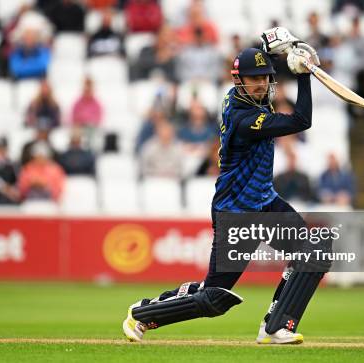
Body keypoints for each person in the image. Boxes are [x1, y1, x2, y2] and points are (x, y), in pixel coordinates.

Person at [123, 40, 327, 345]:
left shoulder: (250, 100)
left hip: (265, 202)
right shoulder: (244, 119)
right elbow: (302, 120)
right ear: (239, 81)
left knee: (313, 253)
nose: (261, 85)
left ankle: (276, 326)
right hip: (237, 212)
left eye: (265, 78)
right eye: (254, 79)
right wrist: (303, 74)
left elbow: (255, 59)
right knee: (213, 298)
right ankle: (143, 313)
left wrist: (277, 45)